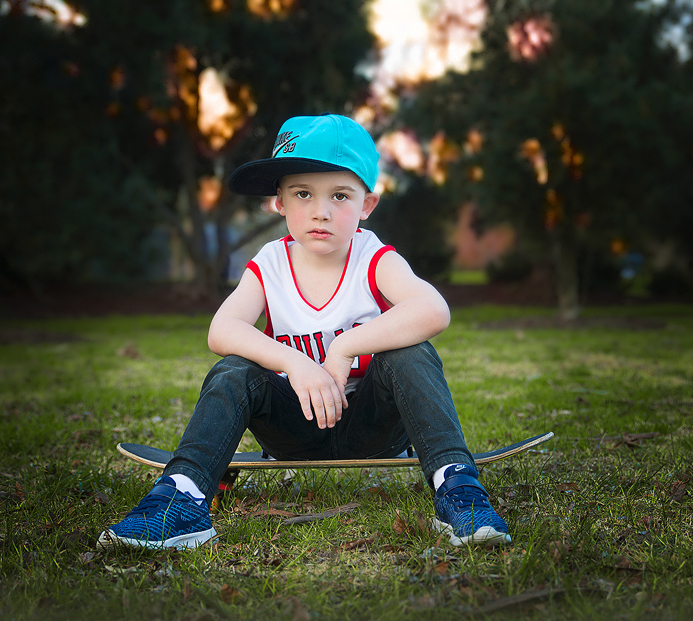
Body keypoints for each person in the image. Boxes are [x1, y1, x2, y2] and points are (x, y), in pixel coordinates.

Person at [98, 114, 510, 550]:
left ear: (366, 205)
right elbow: (222, 329)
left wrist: (345, 346)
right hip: (293, 428)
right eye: (302, 193)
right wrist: (295, 363)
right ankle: (181, 498)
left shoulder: (373, 257)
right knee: (233, 369)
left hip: (372, 427)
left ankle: (457, 489)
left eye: (340, 195)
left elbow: (434, 309)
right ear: (279, 201)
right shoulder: (271, 263)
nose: (321, 211)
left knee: (410, 352)